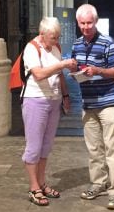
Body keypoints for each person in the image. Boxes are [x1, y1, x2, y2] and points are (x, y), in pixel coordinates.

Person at [71, 4, 114, 210]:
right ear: (78, 23)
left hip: (109, 102)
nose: (86, 27)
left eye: (89, 23)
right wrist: (76, 73)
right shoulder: (76, 44)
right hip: (88, 102)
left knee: (112, 147)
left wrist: (98, 70)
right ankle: (98, 183)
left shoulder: (108, 42)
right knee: (94, 149)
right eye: (82, 23)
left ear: (96, 21)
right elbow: (78, 67)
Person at [21, 17, 77, 206]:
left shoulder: (56, 48)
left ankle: (42, 182)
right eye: (53, 37)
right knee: (34, 146)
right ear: (42, 34)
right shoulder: (31, 48)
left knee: (46, 146)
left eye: (58, 37)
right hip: (35, 100)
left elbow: (59, 75)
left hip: (54, 100)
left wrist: (66, 96)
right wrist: (62, 65)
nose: (56, 41)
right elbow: (39, 74)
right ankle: (33, 186)